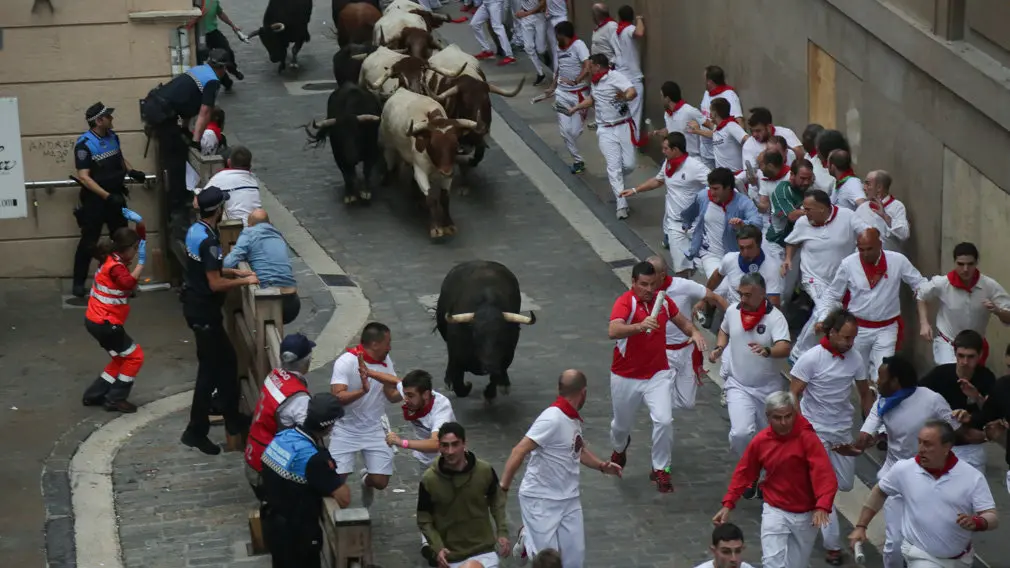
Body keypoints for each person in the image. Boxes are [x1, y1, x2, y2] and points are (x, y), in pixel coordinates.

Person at [837, 355, 960, 568]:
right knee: (894, 544)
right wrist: (858, 446)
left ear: (895, 382)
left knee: (926, 543)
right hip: (896, 477)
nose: (876, 380)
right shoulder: (882, 403)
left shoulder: (931, 400)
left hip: (930, 481)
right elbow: (865, 436)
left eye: (881, 377)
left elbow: (955, 430)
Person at [501, 370, 621, 568]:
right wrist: (503, 488)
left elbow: (577, 448)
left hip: (569, 499)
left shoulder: (571, 418)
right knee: (546, 560)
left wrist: (601, 466)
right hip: (541, 500)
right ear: (583, 392)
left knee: (574, 560)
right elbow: (519, 450)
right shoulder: (552, 418)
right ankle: (528, 540)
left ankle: (528, 537)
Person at [608, 261, 706, 492]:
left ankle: (661, 469)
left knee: (664, 420)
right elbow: (613, 330)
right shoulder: (625, 302)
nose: (649, 289)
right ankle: (619, 447)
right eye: (643, 284)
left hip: (657, 374)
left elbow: (683, 323)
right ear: (633, 283)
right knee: (620, 427)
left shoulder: (663, 302)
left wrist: (696, 333)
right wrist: (640, 326)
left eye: (652, 284)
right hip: (626, 376)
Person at [848, 419, 998, 567]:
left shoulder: (972, 476)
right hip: (920, 555)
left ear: (946, 447)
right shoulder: (904, 469)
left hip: (961, 558)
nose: (921, 449)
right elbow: (880, 492)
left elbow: (991, 516)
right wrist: (861, 526)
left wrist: (978, 522)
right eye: (919, 442)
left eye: (928, 444)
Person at [713, 392, 837, 568]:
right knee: (772, 563)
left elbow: (824, 473)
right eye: (778, 418)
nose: (784, 422)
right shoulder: (761, 441)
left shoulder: (808, 439)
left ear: (795, 413)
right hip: (775, 509)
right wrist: (728, 504)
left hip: (805, 514)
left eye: (788, 416)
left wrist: (822, 506)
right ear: (768, 417)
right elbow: (744, 472)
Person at [789, 309, 874, 565]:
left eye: (853, 338)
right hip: (815, 432)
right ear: (832, 332)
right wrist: (798, 430)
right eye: (846, 337)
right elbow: (792, 396)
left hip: (842, 432)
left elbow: (864, 393)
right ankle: (833, 545)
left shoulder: (856, 358)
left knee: (844, 484)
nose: (850, 343)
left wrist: (870, 427)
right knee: (825, 488)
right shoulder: (810, 359)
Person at [180, 187, 258, 454]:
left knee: (226, 364)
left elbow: (205, 267)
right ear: (218, 211)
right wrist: (244, 280)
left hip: (195, 307)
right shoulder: (210, 242)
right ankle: (196, 430)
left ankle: (232, 418)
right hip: (204, 312)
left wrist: (229, 270)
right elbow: (214, 283)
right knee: (210, 371)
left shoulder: (196, 230)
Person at [814, 228, 926, 382]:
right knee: (857, 374)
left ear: (880, 244)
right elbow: (832, 295)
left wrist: (924, 292)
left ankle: (878, 402)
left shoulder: (898, 261)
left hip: (887, 328)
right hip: (857, 329)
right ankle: (865, 403)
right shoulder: (848, 264)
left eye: (869, 249)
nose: (865, 254)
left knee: (884, 374)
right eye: (861, 250)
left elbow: (920, 283)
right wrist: (823, 317)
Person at [712, 274, 792, 475]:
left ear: (762, 294)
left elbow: (784, 346)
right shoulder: (732, 311)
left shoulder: (775, 318)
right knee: (740, 433)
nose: (743, 300)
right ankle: (750, 469)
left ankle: (765, 476)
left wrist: (768, 351)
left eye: (748, 295)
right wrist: (720, 347)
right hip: (739, 385)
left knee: (771, 438)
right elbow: (723, 330)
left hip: (769, 389)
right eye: (741, 294)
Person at [260, 393, 351, 568]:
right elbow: (344, 498)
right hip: (297, 536)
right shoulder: (315, 458)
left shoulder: (283, 437)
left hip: (272, 524)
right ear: (329, 425)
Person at [782, 189, 870, 362]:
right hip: (813, 278)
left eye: (808, 209)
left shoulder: (847, 216)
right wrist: (787, 259)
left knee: (823, 314)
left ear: (822, 208)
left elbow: (866, 232)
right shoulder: (802, 223)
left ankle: (802, 350)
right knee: (826, 311)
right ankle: (799, 353)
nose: (803, 212)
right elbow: (792, 241)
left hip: (840, 279)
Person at [380, 369, 456, 567]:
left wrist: (402, 442)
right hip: (426, 463)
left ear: (426, 394)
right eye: (405, 394)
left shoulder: (441, 409)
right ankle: (429, 545)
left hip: (448, 463)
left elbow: (435, 444)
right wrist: (368, 371)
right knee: (428, 501)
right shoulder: (411, 394)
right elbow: (394, 380)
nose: (405, 400)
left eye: (410, 396)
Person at [141, 48, 229, 214]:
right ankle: (178, 202)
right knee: (176, 155)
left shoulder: (198, 70)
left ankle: (179, 196)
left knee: (177, 147)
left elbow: (187, 103)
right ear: (223, 68)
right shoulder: (212, 81)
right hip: (163, 114)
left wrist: (185, 129)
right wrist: (195, 141)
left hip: (157, 107)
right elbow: (204, 112)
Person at [72, 102, 146, 298]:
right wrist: (106, 196)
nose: (112, 119)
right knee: (89, 241)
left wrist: (132, 171)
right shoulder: (85, 144)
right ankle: (78, 284)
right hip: (96, 201)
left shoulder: (113, 137)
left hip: (116, 197)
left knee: (122, 240)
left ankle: (123, 283)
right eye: (108, 116)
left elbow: (120, 158)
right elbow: (84, 177)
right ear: (99, 120)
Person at [417, 422, 511, 568]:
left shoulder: (484, 471)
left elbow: (496, 501)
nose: (450, 451)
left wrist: (502, 532)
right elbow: (424, 519)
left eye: (455, 444)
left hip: (484, 551)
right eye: (445, 445)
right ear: (439, 446)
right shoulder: (429, 480)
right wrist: (438, 547)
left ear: (464, 444)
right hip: (451, 556)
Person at [328, 322, 402, 508]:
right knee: (335, 481)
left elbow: (391, 395)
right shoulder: (346, 362)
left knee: (380, 481)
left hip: (375, 427)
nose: (390, 347)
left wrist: (408, 393)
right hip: (346, 429)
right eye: (388, 342)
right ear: (375, 344)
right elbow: (337, 397)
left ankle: (365, 480)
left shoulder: (386, 360)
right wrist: (362, 391)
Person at [619, 132, 710, 276]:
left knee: (707, 267)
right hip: (675, 225)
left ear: (675, 149)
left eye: (666, 148)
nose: (663, 151)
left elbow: (715, 184)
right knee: (681, 268)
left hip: (696, 225)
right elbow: (658, 181)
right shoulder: (668, 165)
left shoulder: (695, 166)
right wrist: (635, 190)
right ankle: (684, 294)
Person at [563, 53, 638, 220]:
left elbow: (632, 91)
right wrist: (575, 108)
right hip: (605, 130)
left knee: (630, 164)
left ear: (597, 66)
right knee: (614, 167)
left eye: (589, 66)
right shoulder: (595, 82)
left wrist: (624, 97)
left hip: (623, 126)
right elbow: (592, 99)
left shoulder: (615, 77)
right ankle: (621, 204)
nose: (587, 69)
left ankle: (618, 181)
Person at [80, 228, 146, 413]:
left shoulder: (111, 259)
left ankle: (95, 394)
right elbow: (127, 283)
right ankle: (116, 399)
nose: (136, 252)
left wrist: (140, 224)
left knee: (120, 359)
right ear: (127, 249)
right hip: (107, 324)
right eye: (135, 249)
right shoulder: (116, 267)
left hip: (95, 321)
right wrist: (141, 264)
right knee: (134, 357)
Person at [648, 255, 726, 410]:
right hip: (662, 352)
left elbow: (714, 297)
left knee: (687, 403)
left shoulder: (683, 286)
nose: (645, 278)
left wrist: (735, 318)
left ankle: (656, 402)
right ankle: (659, 409)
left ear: (662, 275)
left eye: (651, 274)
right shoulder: (643, 290)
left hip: (686, 350)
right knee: (662, 403)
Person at [244, 333, 315, 498]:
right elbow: (307, 434)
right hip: (269, 468)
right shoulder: (298, 398)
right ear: (307, 361)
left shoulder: (273, 375)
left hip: (253, 456)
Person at [916, 242, 1010, 365]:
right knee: (951, 376)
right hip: (948, 344)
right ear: (954, 262)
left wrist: (997, 311)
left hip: (975, 347)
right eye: (960, 264)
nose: (965, 269)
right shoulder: (942, 283)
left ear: (976, 263)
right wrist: (924, 323)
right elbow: (921, 295)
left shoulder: (989, 285)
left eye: (970, 264)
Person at [920, 330, 996, 473]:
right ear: (954, 353)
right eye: (961, 356)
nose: (965, 362)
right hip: (940, 446)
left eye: (971, 357)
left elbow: (992, 413)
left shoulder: (986, 377)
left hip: (972, 449)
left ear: (980, 356)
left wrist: (976, 396)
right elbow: (918, 397)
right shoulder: (939, 375)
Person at [680, 168, 763, 279]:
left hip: (735, 255)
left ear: (728, 188)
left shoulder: (743, 203)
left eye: (716, 189)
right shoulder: (703, 196)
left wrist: (743, 225)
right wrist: (686, 223)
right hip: (710, 254)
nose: (712, 192)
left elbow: (758, 224)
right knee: (721, 288)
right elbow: (691, 211)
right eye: (710, 188)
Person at [223, 209, 300, 324]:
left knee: (264, 333)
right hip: (292, 300)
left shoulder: (249, 233)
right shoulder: (278, 236)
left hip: (269, 298)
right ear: (269, 223)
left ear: (250, 224)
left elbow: (227, 263)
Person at [544, 21, 590, 175]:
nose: (556, 38)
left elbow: (587, 66)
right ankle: (578, 161)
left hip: (579, 95)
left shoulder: (579, 45)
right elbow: (559, 68)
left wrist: (576, 80)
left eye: (558, 35)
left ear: (564, 35)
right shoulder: (558, 48)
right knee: (565, 132)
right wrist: (552, 86)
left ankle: (579, 125)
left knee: (574, 132)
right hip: (562, 93)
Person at [704, 224, 783, 308]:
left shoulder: (771, 267)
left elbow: (774, 303)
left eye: (750, 247)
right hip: (732, 311)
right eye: (742, 248)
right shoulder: (729, 259)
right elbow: (718, 275)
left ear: (759, 245)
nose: (745, 253)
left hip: (757, 315)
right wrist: (704, 299)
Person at [192, 0, 249, 92]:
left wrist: (232, 25)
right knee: (211, 61)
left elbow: (220, 13)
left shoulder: (213, 1)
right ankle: (226, 82)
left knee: (227, 52)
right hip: (199, 34)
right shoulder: (192, 2)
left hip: (213, 31)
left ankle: (233, 70)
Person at [764, 158, 813, 262]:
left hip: (794, 244)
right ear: (792, 175)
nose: (806, 182)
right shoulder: (782, 190)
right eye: (803, 178)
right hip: (777, 246)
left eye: (809, 178)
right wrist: (814, 211)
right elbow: (792, 216)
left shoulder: (804, 189)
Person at [198, 145, 260, 226]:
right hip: (256, 226)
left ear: (229, 162)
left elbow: (197, 203)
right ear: (250, 166)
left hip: (235, 229)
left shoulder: (220, 176)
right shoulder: (253, 181)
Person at [697, 66, 743, 170]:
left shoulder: (729, 96)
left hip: (722, 155)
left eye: (704, 79)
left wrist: (698, 131)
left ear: (710, 82)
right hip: (706, 152)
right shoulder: (707, 93)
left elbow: (739, 124)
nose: (703, 82)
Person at [854, 170, 910, 251]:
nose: (864, 188)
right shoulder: (862, 208)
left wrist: (885, 217)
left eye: (868, 184)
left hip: (889, 261)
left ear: (879, 188)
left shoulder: (897, 206)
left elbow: (904, 235)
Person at [690, 97, 748, 173]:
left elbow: (747, 139)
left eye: (710, 111)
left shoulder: (731, 125)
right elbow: (713, 135)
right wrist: (697, 131)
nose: (709, 114)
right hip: (723, 176)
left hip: (736, 175)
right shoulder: (717, 128)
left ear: (715, 113)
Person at [614, 5, 645, 148]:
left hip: (621, 77)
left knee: (622, 113)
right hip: (632, 77)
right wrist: (639, 20)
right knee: (634, 115)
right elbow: (639, 32)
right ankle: (632, 145)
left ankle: (622, 142)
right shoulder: (627, 29)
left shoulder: (617, 32)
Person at [651, 81, 705, 159]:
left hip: (691, 158)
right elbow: (673, 130)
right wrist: (664, 132)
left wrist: (698, 131)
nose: (661, 99)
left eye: (661, 96)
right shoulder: (667, 114)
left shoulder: (689, 111)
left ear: (667, 99)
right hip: (673, 158)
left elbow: (710, 126)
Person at [741, 108, 801, 174]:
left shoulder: (786, 133)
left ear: (769, 127)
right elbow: (750, 173)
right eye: (751, 131)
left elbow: (800, 156)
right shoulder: (749, 145)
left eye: (758, 131)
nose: (754, 134)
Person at [472, 0, 516, 65]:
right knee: (474, 24)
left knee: (497, 27)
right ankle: (487, 50)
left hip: (495, 3)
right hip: (485, 3)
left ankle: (510, 56)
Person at [515, 0, 548, 85]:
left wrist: (528, 12)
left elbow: (543, 2)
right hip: (526, 19)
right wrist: (521, 12)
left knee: (541, 49)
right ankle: (540, 73)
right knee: (528, 47)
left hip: (538, 17)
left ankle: (546, 54)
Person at [800, 124, 834, 192]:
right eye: (803, 138)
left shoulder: (828, 163)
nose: (803, 142)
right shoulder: (806, 156)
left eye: (807, 139)